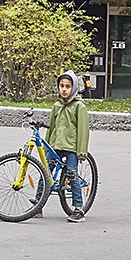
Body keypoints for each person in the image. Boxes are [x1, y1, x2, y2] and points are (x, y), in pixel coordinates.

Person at [45, 72, 89, 220]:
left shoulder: (79, 106)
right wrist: (46, 148)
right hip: (55, 146)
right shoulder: (57, 105)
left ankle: (78, 209)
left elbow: (83, 131)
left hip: (71, 148)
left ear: (74, 88)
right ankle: (38, 204)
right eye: (61, 86)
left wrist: (81, 152)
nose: (64, 89)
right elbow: (51, 128)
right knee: (45, 172)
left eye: (68, 86)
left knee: (72, 173)